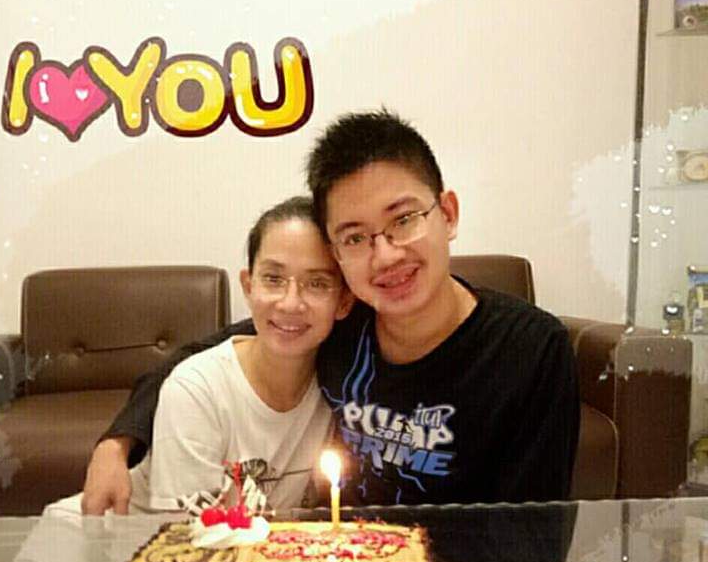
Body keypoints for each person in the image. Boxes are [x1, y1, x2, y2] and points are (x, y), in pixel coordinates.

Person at [82, 110, 579, 514]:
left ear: (447, 214)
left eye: (403, 220)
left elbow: (532, 538)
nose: (385, 256)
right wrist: (117, 442)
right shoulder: (345, 323)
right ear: (339, 256)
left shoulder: (528, 351)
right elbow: (207, 354)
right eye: (356, 237)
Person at [89, 195, 352, 513]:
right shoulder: (197, 388)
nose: (290, 302)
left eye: (318, 283)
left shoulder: (342, 381)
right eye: (273, 278)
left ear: (345, 301)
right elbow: (189, 549)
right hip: (109, 547)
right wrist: (116, 442)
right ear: (248, 284)